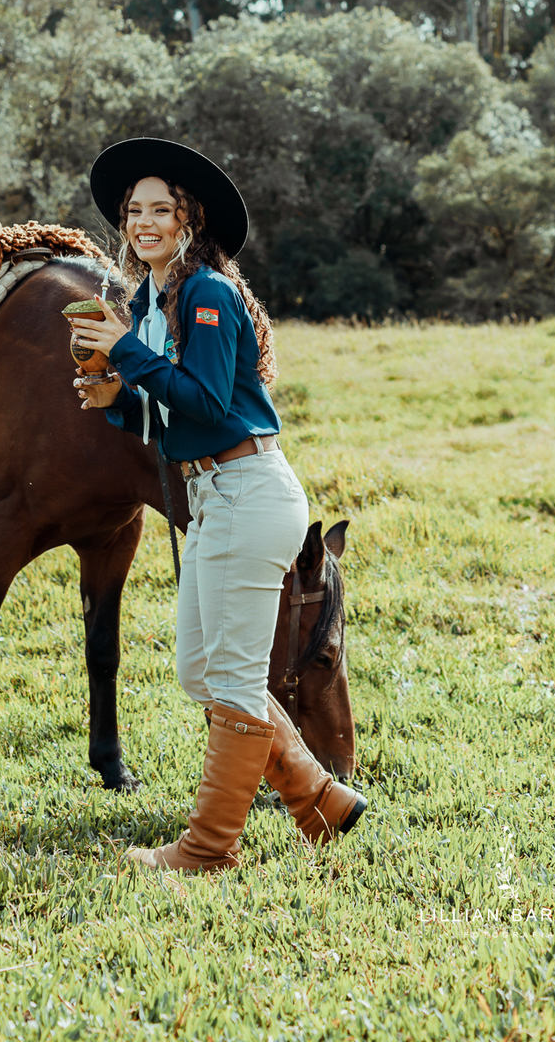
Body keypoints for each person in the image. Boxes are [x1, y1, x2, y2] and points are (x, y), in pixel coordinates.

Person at [68, 137, 366, 876]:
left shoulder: (208, 294)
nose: (143, 223)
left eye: (160, 210)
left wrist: (128, 355)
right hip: (211, 492)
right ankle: (320, 801)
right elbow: (171, 420)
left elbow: (204, 398)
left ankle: (207, 848)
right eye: (133, 211)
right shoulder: (149, 300)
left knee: (231, 679)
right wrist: (114, 395)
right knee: (201, 673)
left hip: (249, 488)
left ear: (189, 220)